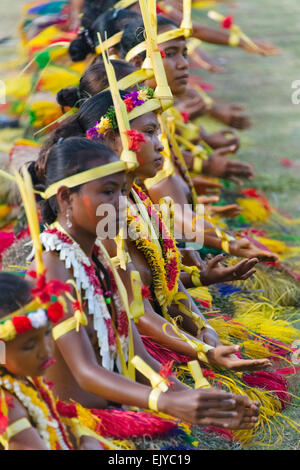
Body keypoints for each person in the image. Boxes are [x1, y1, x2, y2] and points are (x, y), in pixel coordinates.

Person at [27, 136, 260, 448]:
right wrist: (164, 402)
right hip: (78, 423)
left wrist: (193, 398)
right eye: (108, 192)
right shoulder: (52, 267)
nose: (121, 204)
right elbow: (84, 372)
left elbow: (136, 353)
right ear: (67, 197)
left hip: (114, 410)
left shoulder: (95, 255)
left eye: (122, 191)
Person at [0, 272, 102, 450]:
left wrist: (87, 438)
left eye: (47, 333)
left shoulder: (23, 380)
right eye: (29, 346)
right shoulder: (9, 408)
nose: (46, 350)